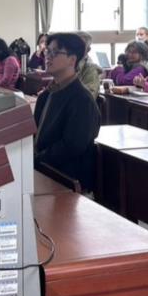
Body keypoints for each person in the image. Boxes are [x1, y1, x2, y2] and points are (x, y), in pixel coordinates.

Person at [34, 32, 101, 191]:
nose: (48, 56)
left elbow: (72, 146)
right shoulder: (46, 95)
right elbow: (34, 132)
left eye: (55, 52)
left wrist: (36, 160)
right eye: (47, 51)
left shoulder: (82, 99)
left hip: (65, 179)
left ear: (72, 59)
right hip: (43, 169)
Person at [76, 31, 102, 98]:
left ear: (88, 49)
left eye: (80, 45)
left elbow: (87, 98)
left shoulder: (90, 69)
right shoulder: (65, 65)